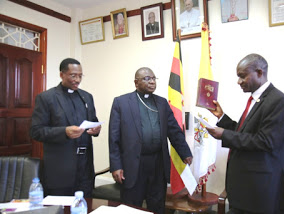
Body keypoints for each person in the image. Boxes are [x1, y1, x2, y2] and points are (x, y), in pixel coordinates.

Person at [206, 54, 284, 214]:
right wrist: (221, 117)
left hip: (258, 191)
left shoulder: (278, 100)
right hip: (244, 188)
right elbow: (243, 133)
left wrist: (224, 134)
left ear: (259, 72)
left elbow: (265, 141)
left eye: (242, 76)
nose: (238, 82)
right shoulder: (255, 99)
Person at [109, 67, 193, 214]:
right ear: (136, 83)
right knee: (131, 207)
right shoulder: (121, 102)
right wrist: (116, 165)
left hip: (157, 164)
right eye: (147, 79)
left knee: (157, 205)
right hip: (133, 164)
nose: (152, 82)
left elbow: (174, 130)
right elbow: (114, 138)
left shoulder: (161, 103)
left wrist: (185, 152)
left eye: (154, 78)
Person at [30, 58, 101, 197]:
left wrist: (96, 130)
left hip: (85, 167)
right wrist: (64, 132)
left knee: (84, 205)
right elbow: (35, 131)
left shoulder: (87, 97)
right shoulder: (46, 98)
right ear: (62, 74)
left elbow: (93, 121)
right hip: (60, 169)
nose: (77, 79)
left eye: (80, 75)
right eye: (73, 75)